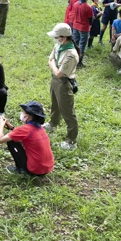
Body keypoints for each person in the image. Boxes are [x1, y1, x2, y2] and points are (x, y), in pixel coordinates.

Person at [44, 23, 80, 151]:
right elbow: (50, 59)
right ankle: (53, 123)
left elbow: (59, 73)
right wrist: (53, 65)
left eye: (57, 37)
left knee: (68, 112)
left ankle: (71, 140)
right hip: (55, 81)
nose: (55, 39)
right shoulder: (59, 45)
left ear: (64, 37)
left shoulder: (71, 54)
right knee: (55, 103)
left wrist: (53, 65)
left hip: (64, 83)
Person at [0, 101, 54, 175]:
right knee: (16, 138)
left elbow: (0, 140)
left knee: (11, 141)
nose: (22, 113)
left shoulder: (25, 129)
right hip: (46, 169)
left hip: (34, 170)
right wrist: (11, 127)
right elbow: (23, 134)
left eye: (23, 112)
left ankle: (20, 169)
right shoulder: (40, 128)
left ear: (28, 116)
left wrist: (1, 125)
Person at [71, 0, 93, 68]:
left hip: (75, 26)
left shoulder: (76, 4)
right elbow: (91, 19)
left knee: (75, 43)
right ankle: (79, 62)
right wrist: (91, 25)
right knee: (82, 45)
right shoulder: (88, 7)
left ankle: (72, 59)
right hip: (84, 28)